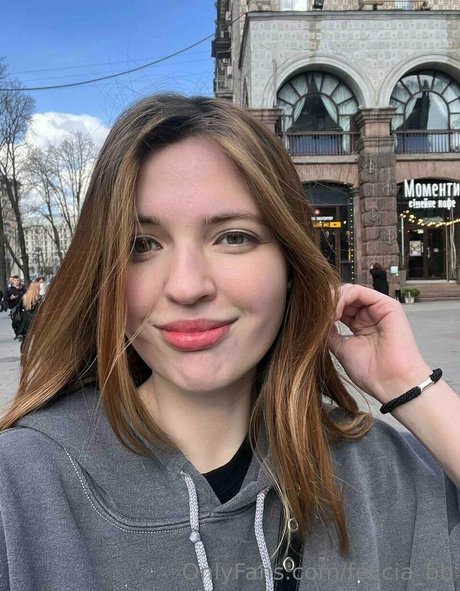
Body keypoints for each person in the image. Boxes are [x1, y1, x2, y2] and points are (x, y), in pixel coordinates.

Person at [0, 95, 458, 591]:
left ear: (291, 264)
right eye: (142, 245)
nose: (187, 286)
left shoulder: (385, 475)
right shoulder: (21, 483)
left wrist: (412, 387)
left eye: (234, 237)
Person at [15, 278, 43, 347]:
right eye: (38, 287)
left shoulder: (24, 297)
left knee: (26, 339)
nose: (40, 288)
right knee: (37, 337)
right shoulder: (38, 298)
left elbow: (19, 308)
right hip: (35, 318)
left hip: (25, 318)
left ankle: (24, 351)